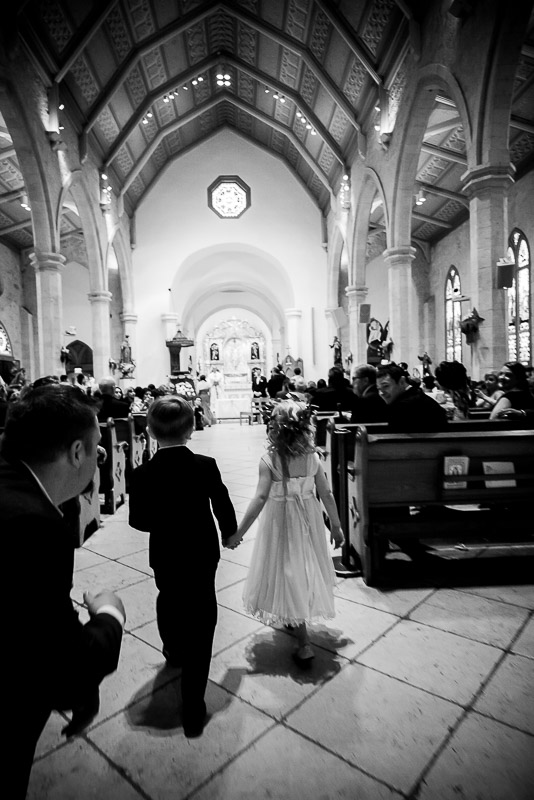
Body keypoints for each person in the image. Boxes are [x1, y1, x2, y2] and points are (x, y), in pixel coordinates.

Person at [1, 384, 125, 797]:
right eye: (96, 448)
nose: (99, 458)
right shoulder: (33, 526)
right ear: (76, 453)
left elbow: (31, 632)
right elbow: (67, 664)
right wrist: (110, 613)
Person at [128, 396, 237, 737]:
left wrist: (165, 520)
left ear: (148, 431)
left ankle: (173, 646)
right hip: (202, 552)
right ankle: (193, 704)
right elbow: (221, 501)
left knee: (169, 597)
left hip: (166, 553)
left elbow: (139, 522)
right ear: (192, 428)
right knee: (203, 615)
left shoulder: (142, 473)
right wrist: (229, 533)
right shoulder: (205, 465)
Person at [224, 401, 344, 664]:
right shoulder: (313, 458)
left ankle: (304, 643)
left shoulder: (269, 460)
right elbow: (327, 493)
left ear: (274, 430)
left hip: (281, 523)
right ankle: (294, 614)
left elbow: (259, 499)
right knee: (302, 566)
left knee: (288, 570)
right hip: (308, 520)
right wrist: (335, 525)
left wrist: (237, 533)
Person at [376, 362, 447, 431]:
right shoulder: (418, 395)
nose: (381, 393)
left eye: (386, 386)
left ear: (402, 382)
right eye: (379, 389)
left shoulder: (401, 408)